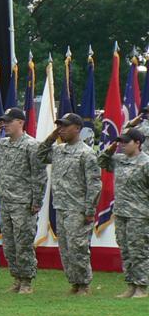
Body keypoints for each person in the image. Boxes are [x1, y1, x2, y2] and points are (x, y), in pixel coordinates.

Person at [0, 107, 47, 294]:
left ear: (20, 122)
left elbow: (39, 176)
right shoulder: (3, 144)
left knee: (23, 243)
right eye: (3, 121)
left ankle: (26, 281)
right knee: (9, 244)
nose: (5, 125)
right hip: (6, 201)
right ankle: (17, 279)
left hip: (23, 203)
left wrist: (36, 201)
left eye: (9, 121)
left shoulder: (31, 145)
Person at [36, 112, 101, 295]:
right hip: (61, 206)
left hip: (78, 208)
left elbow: (94, 183)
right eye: (60, 126)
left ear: (78, 128)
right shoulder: (58, 150)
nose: (61, 129)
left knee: (78, 247)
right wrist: (51, 137)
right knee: (65, 248)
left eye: (65, 126)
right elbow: (40, 155)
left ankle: (84, 284)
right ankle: (74, 282)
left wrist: (89, 210)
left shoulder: (86, 154)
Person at [98, 129, 149, 298]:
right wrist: (112, 147)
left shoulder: (146, 163)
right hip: (120, 212)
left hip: (139, 214)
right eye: (121, 142)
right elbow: (101, 161)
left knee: (138, 250)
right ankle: (130, 285)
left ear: (138, 143)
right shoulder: (119, 160)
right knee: (125, 250)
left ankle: (141, 286)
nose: (122, 145)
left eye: (126, 142)